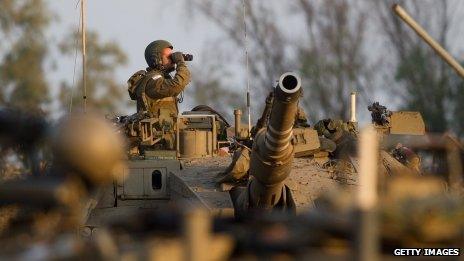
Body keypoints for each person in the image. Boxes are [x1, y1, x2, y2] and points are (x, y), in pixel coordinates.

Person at [127, 40, 191, 118]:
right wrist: (180, 62)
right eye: (169, 57)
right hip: (157, 129)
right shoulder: (153, 81)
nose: (173, 59)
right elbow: (178, 84)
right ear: (157, 58)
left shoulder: (162, 77)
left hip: (165, 127)